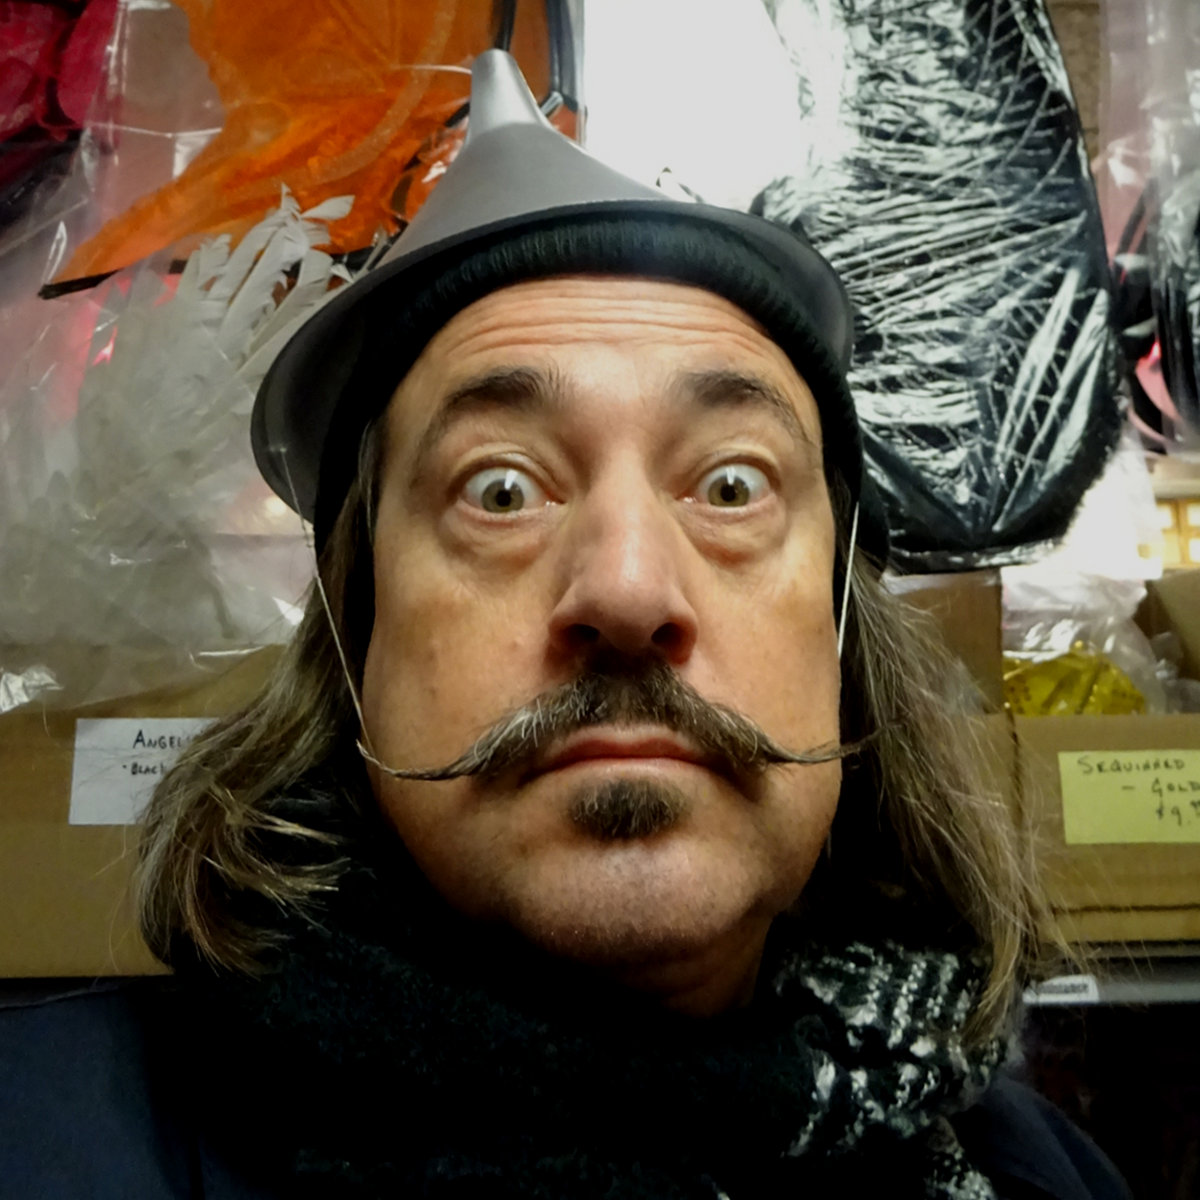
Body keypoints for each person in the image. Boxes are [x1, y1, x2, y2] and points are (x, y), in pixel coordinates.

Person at [0, 51, 1131, 1200]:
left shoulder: (1042, 1176)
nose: (629, 591)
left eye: (732, 486)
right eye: (500, 491)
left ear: (841, 636)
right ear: (355, 634)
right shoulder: (43, 1144)